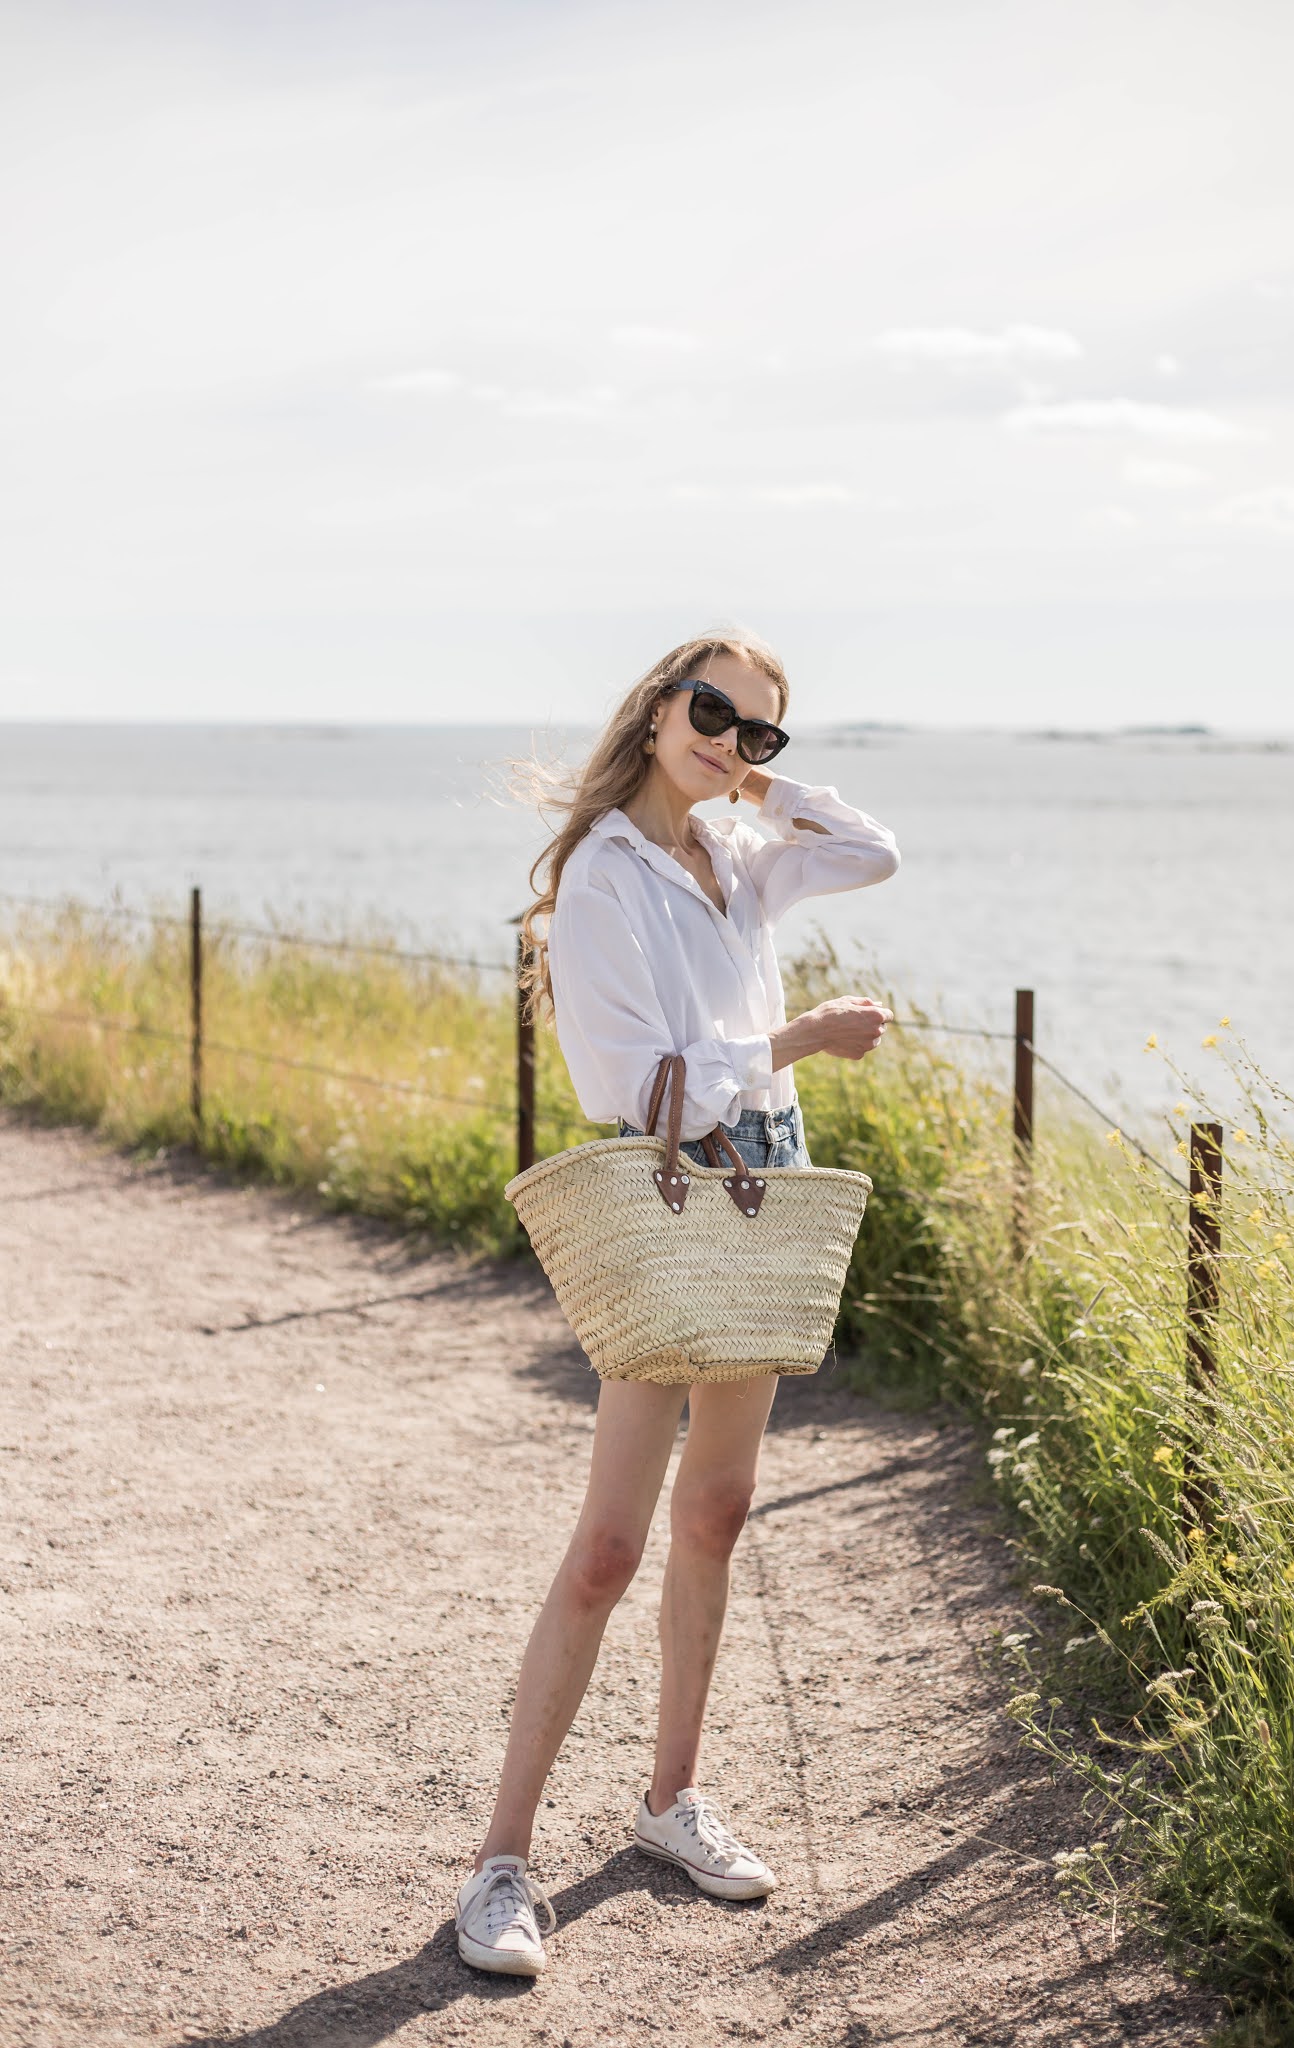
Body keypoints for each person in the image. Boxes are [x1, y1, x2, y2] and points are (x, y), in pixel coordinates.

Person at [454, 631, 900, 1978]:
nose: (731, 742)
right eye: (712, 714)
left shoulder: (739, 853)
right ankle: (498, 1864)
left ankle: (669, 1805)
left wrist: (751, 790)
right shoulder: (602, 876)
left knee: (716, 1510)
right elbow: (642, 1087)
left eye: (759, 732)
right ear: (655, 705)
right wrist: (798, 1041)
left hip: (764, 1186)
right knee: (606, 1546)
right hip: (668, 1198)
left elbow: (870, 849)